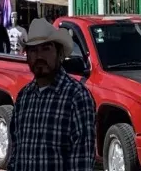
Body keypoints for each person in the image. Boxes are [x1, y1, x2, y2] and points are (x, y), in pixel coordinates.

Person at [8, 17, 95, 171]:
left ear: (59, 54)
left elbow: (81, 162)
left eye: (46, 49)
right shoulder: (24, 98)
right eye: (33, 50)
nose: (39, 56)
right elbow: (16, 154)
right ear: (27, 56)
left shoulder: (76, 97)